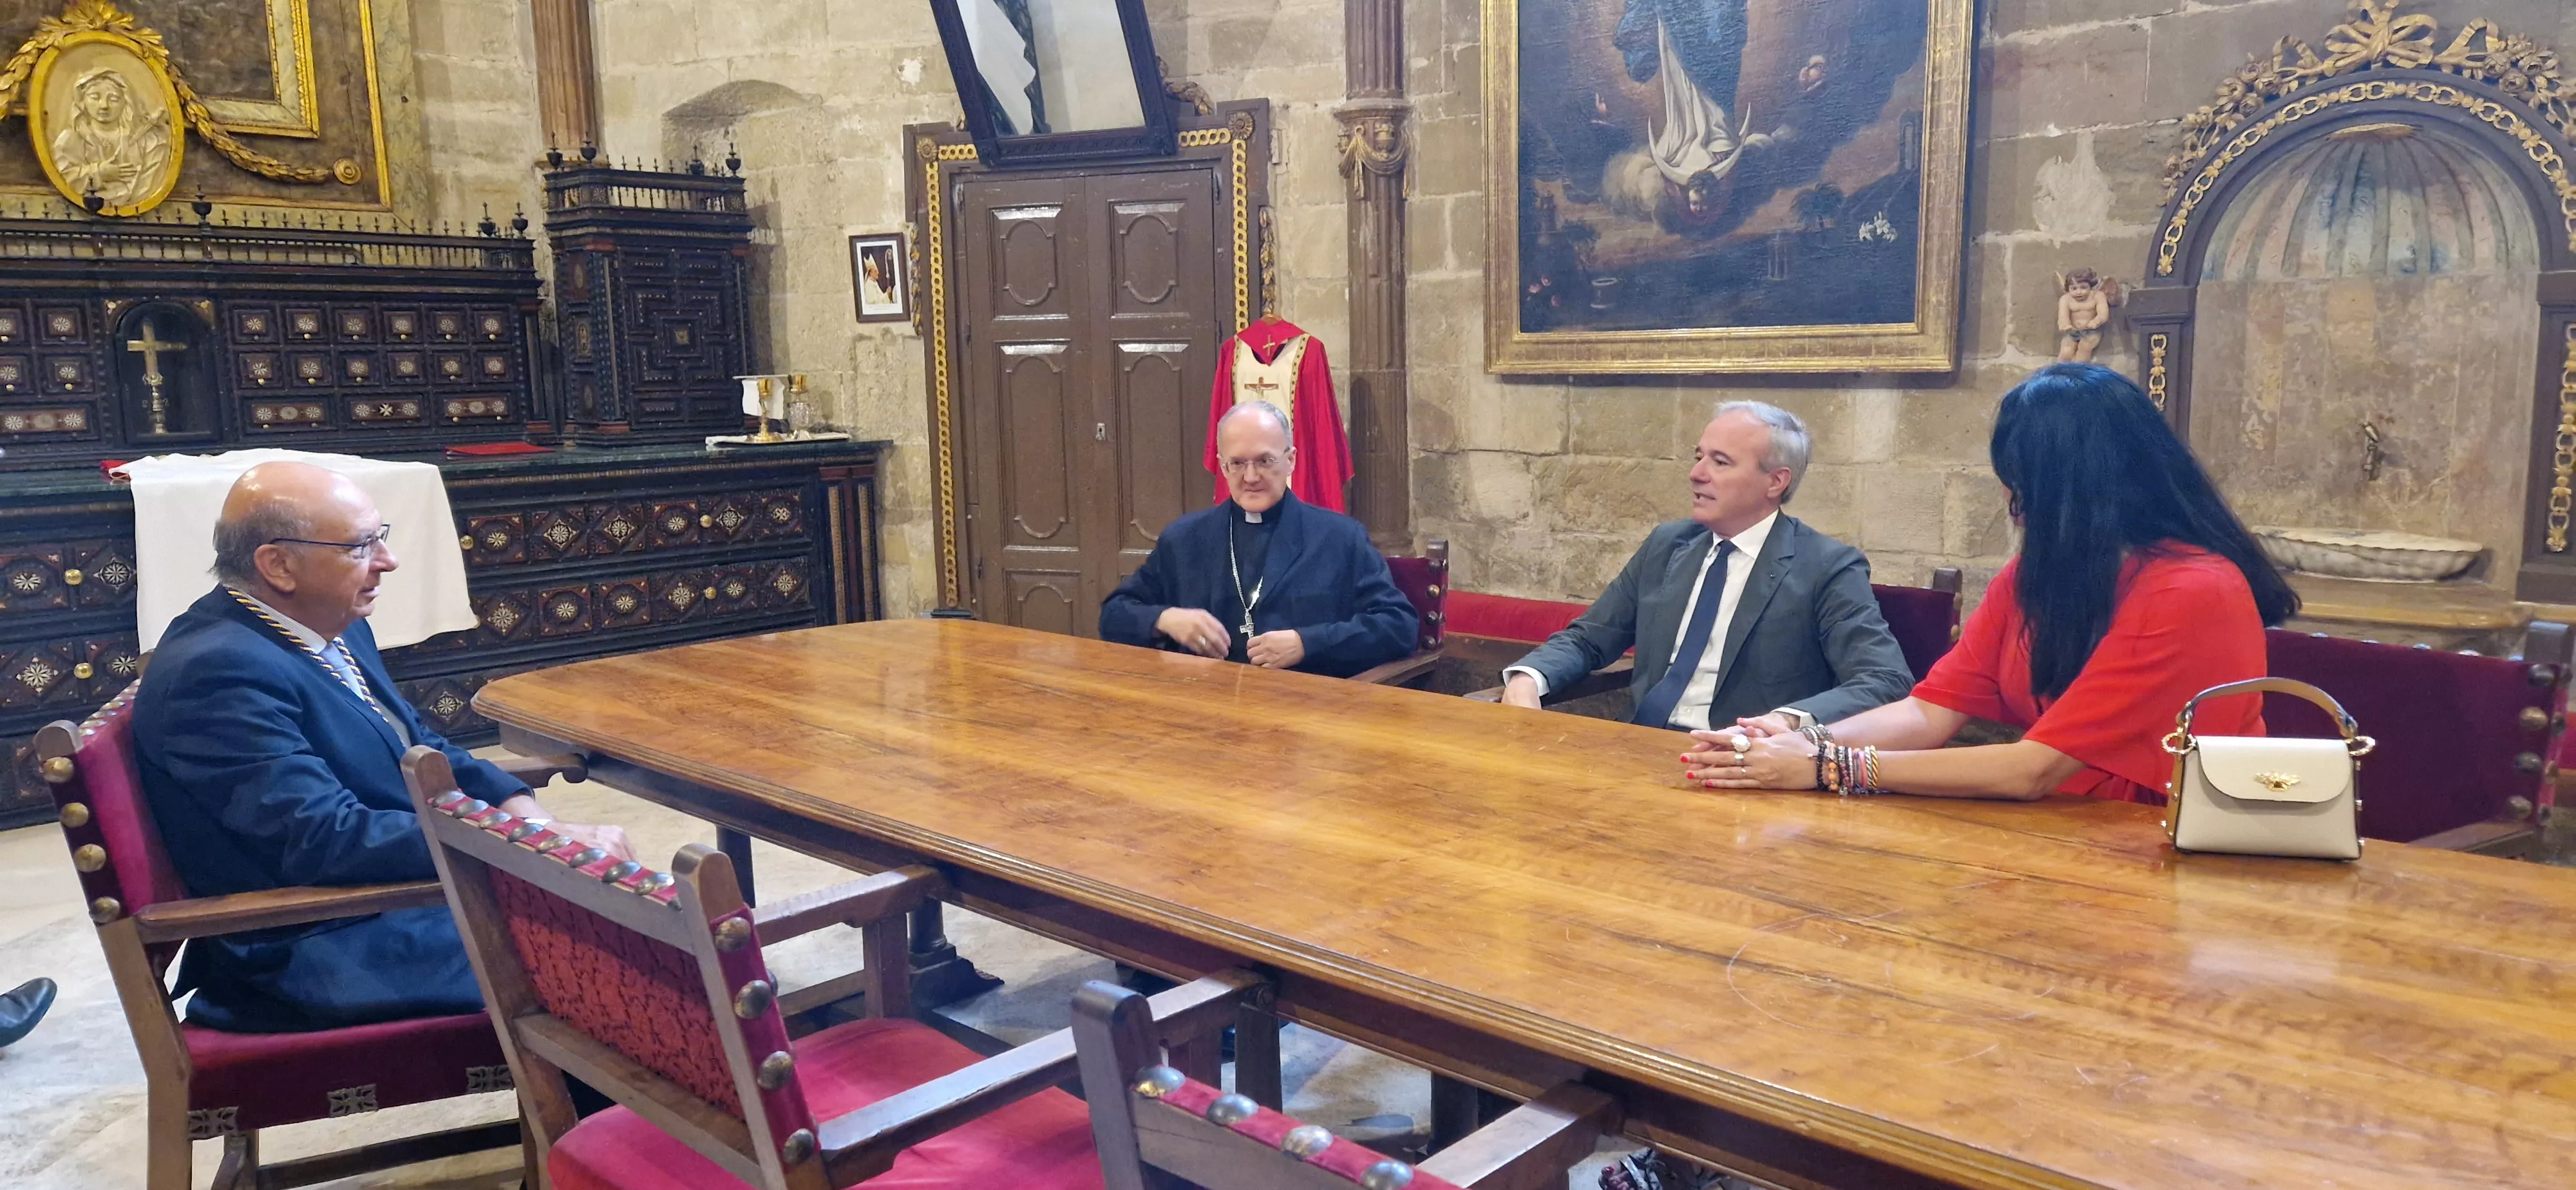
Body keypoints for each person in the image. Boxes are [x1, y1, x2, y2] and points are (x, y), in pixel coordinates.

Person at [134, 462, 633, 1032]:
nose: (386, 562)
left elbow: (417, 742)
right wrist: (527, 846)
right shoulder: (219, 671)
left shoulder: (331, 625)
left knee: (638, 922)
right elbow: (325, 838)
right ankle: (612, 1121)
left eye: (380, 538)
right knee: (624, 961)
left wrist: (526, 815)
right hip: (317, 944)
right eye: (359, 546)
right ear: (277, 564)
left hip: (387, 902)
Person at [1687, 363, 2295, 802]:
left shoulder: (2192, 590)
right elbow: (1931, 711)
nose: (2007, 494)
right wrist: (1796, 734)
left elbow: (2032, 770)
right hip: (2061, 837)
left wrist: (1828, 766)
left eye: (2013, 477)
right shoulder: (2040, 574)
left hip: (2167, 856)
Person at [1502, 401, 1912, 732]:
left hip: (1741, 762)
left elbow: (1884, 679)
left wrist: (1787, 722)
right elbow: (1590, 638)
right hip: (1638, 746)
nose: (1696, 474)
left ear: (1776, 482)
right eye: (1699, 457)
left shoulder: (1826, 566)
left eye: (1720, 462)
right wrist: (1528, 678)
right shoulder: (1668, 545)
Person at [1101, 399, 1417, 678]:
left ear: (1290, 460)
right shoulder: (1185, 539)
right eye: (1237, 464)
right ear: (1223, 466)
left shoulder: (1340, 538)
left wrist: (1309, 643)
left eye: (1265, 461)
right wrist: (1165, 618)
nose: (1250, 478)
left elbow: (1398, 626)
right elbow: (1114, 614)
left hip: (1306, 717)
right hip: (1205, 713)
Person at [51, 67, 173, 209]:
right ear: (82, 102)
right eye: (95, 97)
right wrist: (99, 174)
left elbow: (146, 188)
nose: (104, 106)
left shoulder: (150, 142)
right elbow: (65, 178)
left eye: (114, 99)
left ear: (125, 102)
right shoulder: (70, 141)